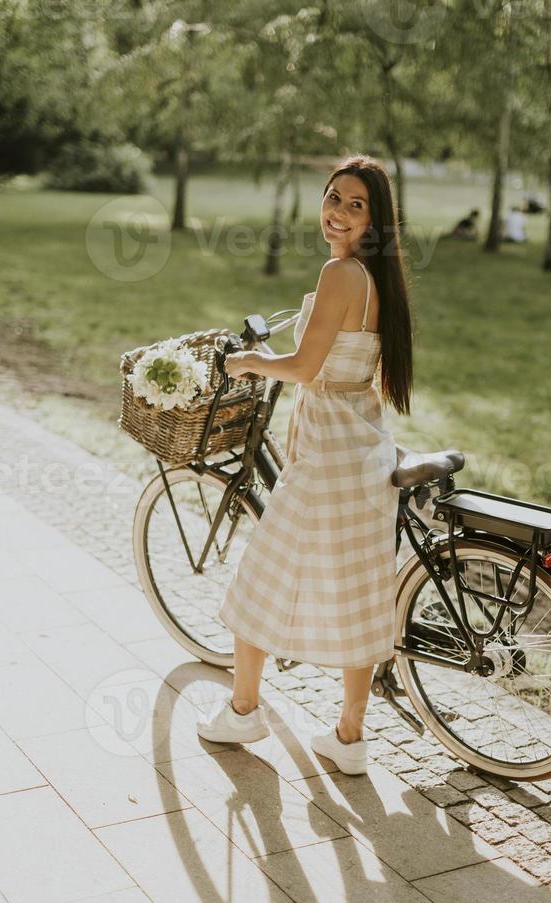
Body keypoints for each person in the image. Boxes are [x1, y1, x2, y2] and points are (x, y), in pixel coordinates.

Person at [195, 154, 413, 775]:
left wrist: (249, 364)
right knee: (360, 591)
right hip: (365, 449)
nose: (338, 212)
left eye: (355, 204)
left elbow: (304, 370)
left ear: (375, 219)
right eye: (333, 197)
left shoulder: (342, 272)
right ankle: (349, 739)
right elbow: (342, 363)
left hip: (328, 461)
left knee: (257, 579)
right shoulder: (378, 278)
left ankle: (243, 711)